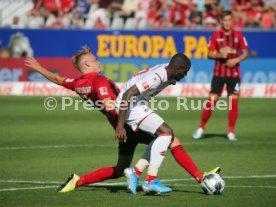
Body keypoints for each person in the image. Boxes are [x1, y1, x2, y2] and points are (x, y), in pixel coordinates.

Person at [24, 46, 219, 195]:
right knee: (169, 137)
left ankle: (76, 181)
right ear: (88, 65)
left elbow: (59, 80)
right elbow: (112, 103)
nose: (99, 61)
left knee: (119, 169)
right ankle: (190, 178)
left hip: (123, 123)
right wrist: (119, 122)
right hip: (126, 123)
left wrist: (39, 68)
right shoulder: (99, 81)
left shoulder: (78, 83)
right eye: (95, 60)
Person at [115, 53, 220, 194]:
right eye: (185, 71)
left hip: (136, 104)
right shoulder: (157, 77)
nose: (185, 75)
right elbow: (128, 93)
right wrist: (120, 125)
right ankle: (150, 180)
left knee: (166, 138)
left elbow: (165, 73)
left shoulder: (167, 70)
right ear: (177, 69)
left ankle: (135, 171)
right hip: (129, 106)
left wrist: (169, 80)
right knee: (167, 132)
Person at [192, 10, 248, 141]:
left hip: (234, 74)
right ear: (221, 21)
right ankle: (201, 128)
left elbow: (245, 53)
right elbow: (209, 54)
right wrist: (219, 55)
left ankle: (231, 132)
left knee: (233, 102)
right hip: (218, 73)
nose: (227, 22)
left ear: (232, 21)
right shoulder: (216, 35)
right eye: (225, 20)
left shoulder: (238, 36)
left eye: (229, 20)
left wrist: (235, 60)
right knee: (211, 102)